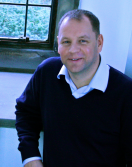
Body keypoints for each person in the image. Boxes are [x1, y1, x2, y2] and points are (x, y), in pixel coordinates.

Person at [15, 9, 132, 167]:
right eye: (66, 42)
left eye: (83, 41)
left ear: (99, 43)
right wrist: (30, 157)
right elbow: (25, 113)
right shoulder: (47, 72)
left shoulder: (126, 92)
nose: (73, 50)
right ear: (58, 43)